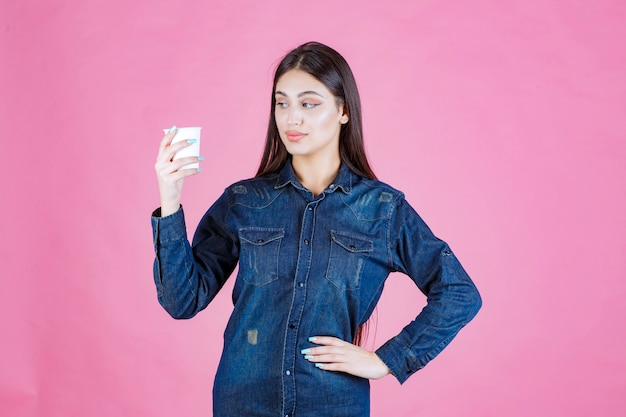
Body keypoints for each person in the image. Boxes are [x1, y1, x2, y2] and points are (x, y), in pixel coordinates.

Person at [152, 41, 481, 417]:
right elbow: (182, 300)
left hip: (333, 404)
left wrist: (387, 360)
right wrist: (171, 198)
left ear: (343, 111)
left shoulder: (382, 210)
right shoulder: (244, 201)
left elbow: (459, 292)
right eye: (282, 103)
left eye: (309, 103)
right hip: (242, 403)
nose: (292, 118)